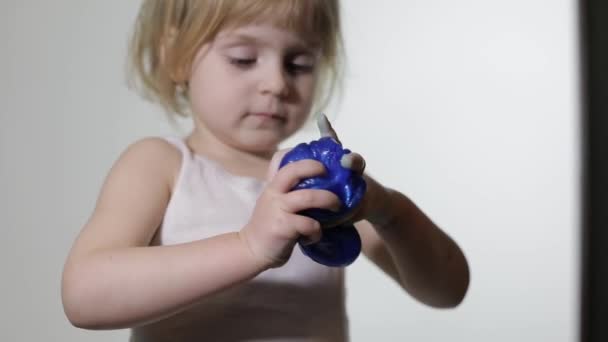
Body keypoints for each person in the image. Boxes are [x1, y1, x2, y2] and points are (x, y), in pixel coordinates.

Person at [61, 0, 470, 341]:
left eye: (299, 63)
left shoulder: (315, 182)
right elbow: (84, 295)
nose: (276, 83)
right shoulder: (160, 165)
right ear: (176, 56)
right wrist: (248, 248)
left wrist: (387, 210)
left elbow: (448, 288)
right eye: (244, 58)